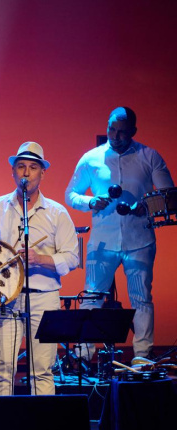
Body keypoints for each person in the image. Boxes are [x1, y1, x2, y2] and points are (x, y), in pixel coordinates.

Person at [0, 142, 79, 396]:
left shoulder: (56, 213)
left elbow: (72, 257)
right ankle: (0, 422)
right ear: (13, 171)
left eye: (33, 167)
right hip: (4, 297)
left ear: (42, 173)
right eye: (21, 166)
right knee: (2, 370)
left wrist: (40, 259)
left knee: (42, 370)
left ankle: (41, 422)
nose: (26, 173)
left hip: (43, 297)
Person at [65, 107, 173, 361]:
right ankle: (84, 355)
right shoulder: (91, 158)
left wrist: (148, 205)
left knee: (141, 298)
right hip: (102, 242)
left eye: (122, 132)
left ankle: (142, 355)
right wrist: (90, 202)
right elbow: (71, 194)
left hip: (140, 240)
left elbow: (168, 194)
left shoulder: (149, 156)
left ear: (133, 131)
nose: (115, 136)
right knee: (92, 296)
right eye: (111, 129)